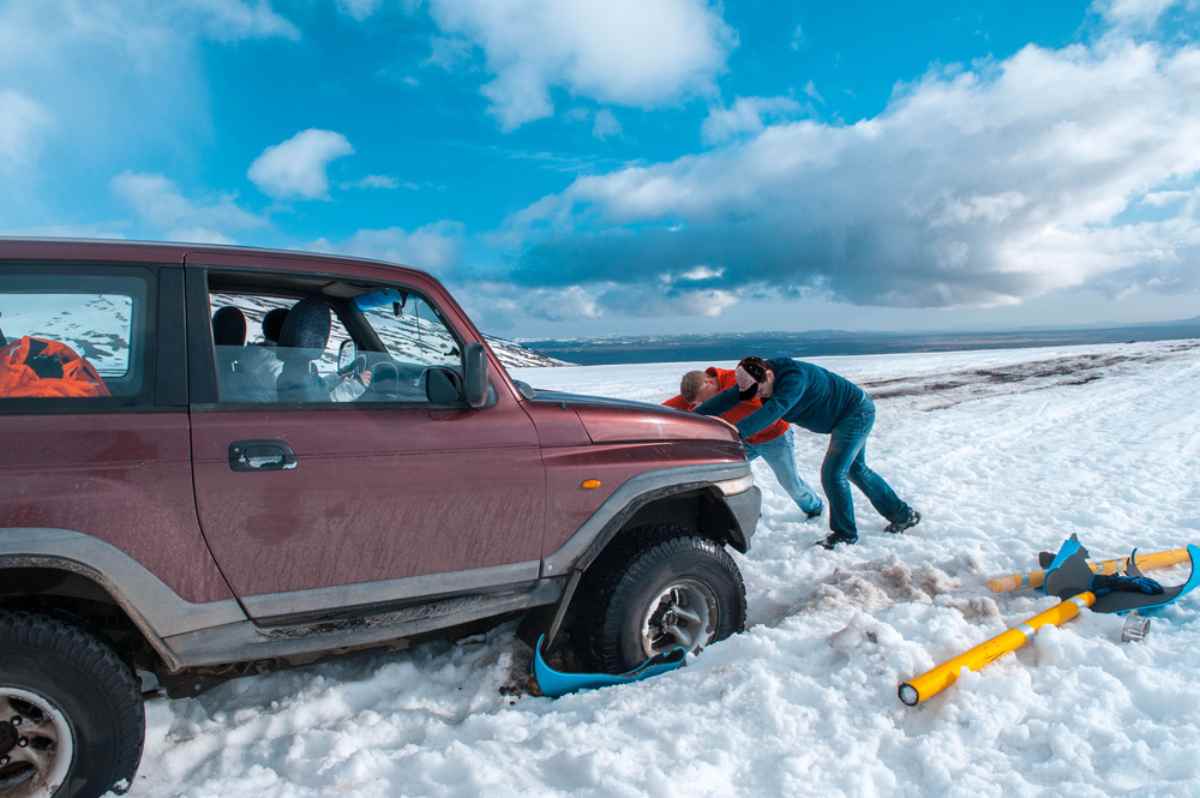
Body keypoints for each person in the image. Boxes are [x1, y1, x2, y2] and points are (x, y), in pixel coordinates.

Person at [696, 356, 920, 549]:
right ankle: (903, 515)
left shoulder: (794, 379)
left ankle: (845, 535)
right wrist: (695, 417)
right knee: (855, 469)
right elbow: (727, 398)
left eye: (761, 390)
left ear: (770, 375)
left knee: (834, 474)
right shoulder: (756, 377)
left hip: (854, 414)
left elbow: (775, 409)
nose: (759, 394)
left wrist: (737, 432)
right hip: (845, 417)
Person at [665, 368, 823, 519]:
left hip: (774, 438)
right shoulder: (698, 389)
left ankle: (815, 508)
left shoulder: (740, 382)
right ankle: (747, 508)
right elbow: (665, 409)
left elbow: (769, 409)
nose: (703, 405)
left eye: (704, 400)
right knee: (725, 473)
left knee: (789, 482)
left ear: (709, 383)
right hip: (746, 440)